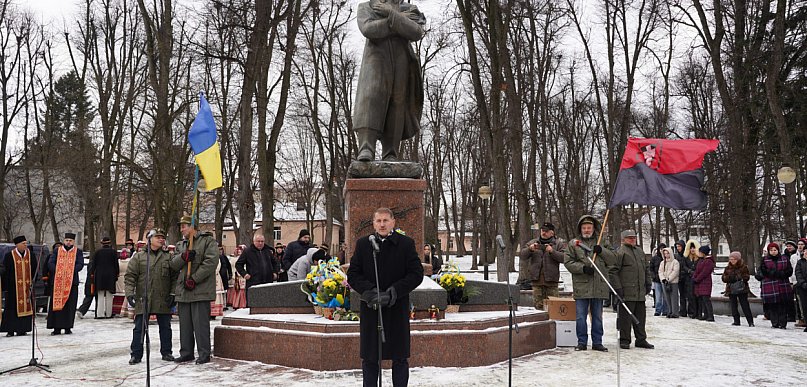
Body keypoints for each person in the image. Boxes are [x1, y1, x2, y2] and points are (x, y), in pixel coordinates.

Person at [347, 208, 424, 387]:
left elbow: (416, 273)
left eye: (385, 220)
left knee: (400, 357)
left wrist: (394, 291)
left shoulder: (406, 244)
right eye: (378, 221)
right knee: (370, 358)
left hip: (396, 308)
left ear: (393, 222)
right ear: (373, 223)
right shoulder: (364, 244)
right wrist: (369, 292)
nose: (382, 224)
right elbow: (353, 274)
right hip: (372, 308)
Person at [354, 0, 427, 162]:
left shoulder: (410, 9)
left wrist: (391, 14)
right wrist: (399, 21)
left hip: (402, 61)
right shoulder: (367, 7)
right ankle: (366, 148)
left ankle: (391, 152)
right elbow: (369, 30)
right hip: (376, 59)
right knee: (371, 98)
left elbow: (416, 32)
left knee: (397, 103)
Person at [170, 215, 219, 364]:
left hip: (200, 290)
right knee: (185, 325)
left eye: (184, 226)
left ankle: (204, 353)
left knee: (200, 325)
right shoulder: (181, 245)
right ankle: (186, 352)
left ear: (193, 227)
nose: (181, 229)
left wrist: (194, 279)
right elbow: (173, 264)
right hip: (184, 291)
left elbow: (211, 262)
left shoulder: (207, 241)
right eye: (181, 226)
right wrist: (183, 257)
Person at [125, 229, 177, 364]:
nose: (161, 239)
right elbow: (130, 276)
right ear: (150, 239)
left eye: (162, 237)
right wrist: (130, 293)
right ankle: (136, 354)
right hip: (144, 297)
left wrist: (173, 293)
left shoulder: (168, 257)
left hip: (163, 297)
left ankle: (167, 352)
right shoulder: (139, 256)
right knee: (139, 328)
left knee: (165, 327)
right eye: (158, 237)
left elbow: (175, 277)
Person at [564, 215, 612, 352]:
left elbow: (613, 259)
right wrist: (582, 269)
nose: (586, 230)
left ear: (593, 228)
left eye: (589, 227)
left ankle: (597, 342)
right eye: (584, 228)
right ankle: (581, 342)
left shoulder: (601, 241)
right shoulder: (574, 243)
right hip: (582, 285)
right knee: (580, 316)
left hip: (598, 285)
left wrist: (602, 251)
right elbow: (568, 262)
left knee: (597, 316)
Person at [610, 229, 653, 350]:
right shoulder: (620, 252)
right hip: (626, 291)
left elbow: (646, 269)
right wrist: (618, 287)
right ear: (623, 240)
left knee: (640, 317)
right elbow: (613, 271)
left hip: (640, 291)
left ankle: (641, 339)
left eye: (634, 237)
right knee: (625, 318)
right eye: (630, 238)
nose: (632, 239)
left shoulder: (640, 251)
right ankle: (625, 339)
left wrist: (648, 283)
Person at [47, 232, 85, 335]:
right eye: (67, 240)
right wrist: (58, 271)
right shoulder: (57, 251)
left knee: (70, 305)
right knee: (57, 305)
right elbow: (50, 263)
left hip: (71, 282)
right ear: (64, 241)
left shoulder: (78, 252)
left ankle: (68, 327)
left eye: (70, 241)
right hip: (58, 282)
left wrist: (70, 271)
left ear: (73, 242)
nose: (68, 242)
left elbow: (80, 264)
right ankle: (56, 327)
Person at [521, 222, 565, 310]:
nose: (543, 233)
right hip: (537, 281)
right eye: (542, 230)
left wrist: (552, 251)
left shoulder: (558, 244)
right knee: (538, 308)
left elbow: (564, 258)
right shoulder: (533, 243)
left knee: (553, 308)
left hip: (552, 282)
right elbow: (522, 255)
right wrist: (530, 249)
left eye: (546, 231)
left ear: (552, 232)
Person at [0, 236, 36, 336]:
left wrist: (33, 281)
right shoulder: (9, 255)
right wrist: (6, 286)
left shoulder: (30, 255)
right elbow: (5, 272)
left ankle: (22, 329)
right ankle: (10, 330)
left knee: (26, 307)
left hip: (27, 287)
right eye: (23, 243)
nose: (25, 245)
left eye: (26, 243)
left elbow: (34, 268)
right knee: (11, 309)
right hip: (13, 288)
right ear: (17, 244)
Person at [754, 242, 793, 329]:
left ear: (778, 250)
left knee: (782, 306)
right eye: (771, 250)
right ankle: (774, 323)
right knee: (773, 306)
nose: (773, 252)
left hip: (782, 284)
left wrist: (781, 274)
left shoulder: (784, 258)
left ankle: (783, 323)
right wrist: (771, 273)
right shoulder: (765, 259)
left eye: (775, 250)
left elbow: (789, 270)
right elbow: (763, 270)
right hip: (770, 285)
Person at [236, 234, 279, 303]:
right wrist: (244, 274)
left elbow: (275, 263)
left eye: (262, 241)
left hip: (268, 281)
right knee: (254, 302)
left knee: (268, 302)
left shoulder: (267, 251)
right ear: (254, 242)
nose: (260, 243)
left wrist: (275, 272)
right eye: (258, 241)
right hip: (253, 281)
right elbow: (238, 264)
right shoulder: (248, 252)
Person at [87, 236, 120, 319]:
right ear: (109, 243)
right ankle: (109, 314)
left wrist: (92, 274)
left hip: (99, 275)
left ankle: (100, 314)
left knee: (100, 294)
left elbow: (93, 265)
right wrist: (116, 274)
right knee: (109, 295)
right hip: (111, 275)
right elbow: (116, 265)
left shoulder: (97, 252)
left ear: (102, 244)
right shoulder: (113, 252)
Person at [721, 251, 754, 327]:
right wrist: (729, 278)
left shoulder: (743, 267)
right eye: (730, 259)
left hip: (742, 289)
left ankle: (750, 322)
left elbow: (747, 277)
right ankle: (736, 321)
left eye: (734, 259)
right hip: (731, 289)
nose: (732, 261)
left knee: (745, 305)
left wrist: (737, 277)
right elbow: (723, 278)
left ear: (738, 259)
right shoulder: (727, 268)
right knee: (733, 306)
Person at [692, 245, 715, 322]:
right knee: (702, 299)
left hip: (705, 282)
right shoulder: (701, 260)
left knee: (706, 299)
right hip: (700, 283)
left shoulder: (709, 261)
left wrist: (697, 279)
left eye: (700, 252)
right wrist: (694, 277)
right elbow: (697, 270)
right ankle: (705, 315)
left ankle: (710, 315)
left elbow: (704, 273)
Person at [658, 247, 680, 318]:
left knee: (674, 297)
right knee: (667, 298)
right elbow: (660, 271)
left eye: (667, 253)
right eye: (664, 254)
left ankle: (675, 312)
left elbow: (675, 271)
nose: (666, 255)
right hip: (664, 282)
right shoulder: (662, 262)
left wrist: (668, 279)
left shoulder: (675, 262)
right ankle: (669, 311)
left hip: (673, 282)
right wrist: (663, 279)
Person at [673, 240, 692, 317]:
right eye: (677, 247)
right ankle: (683, 311)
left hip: (687, 278)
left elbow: (688, 266)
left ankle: (690, 311)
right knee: (682, 295)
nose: (678, 248)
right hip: (680, 278)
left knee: (689, 295)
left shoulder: (686, 255)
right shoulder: (676, 256)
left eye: (679, 246)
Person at [683, 239, 701, 318]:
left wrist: (695, 272)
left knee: (697, 296)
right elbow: (684, 266)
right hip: (689, 279)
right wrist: (689, 271)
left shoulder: (699, 258)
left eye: (694, 248)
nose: (692, 249)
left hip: (697, 279)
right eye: (691, 248)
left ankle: (698, 312)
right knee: (690, 296)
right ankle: (691, 311)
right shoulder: (686, 257)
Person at [649, 244, 668, 316]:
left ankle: (665, 310)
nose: (662, 250)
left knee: (665, 296)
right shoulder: (654, 258)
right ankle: (658, 310)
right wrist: (653, 276)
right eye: (660, 248)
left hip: (665, 280)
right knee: (658, 296)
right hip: (657, 280)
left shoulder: (667, 258)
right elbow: (651, 268)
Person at [794, 248, 807, 332]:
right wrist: (803, 283)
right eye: (805, 251)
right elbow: (798, 273)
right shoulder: (800, 262)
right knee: (805, 306)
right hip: (803, 287)